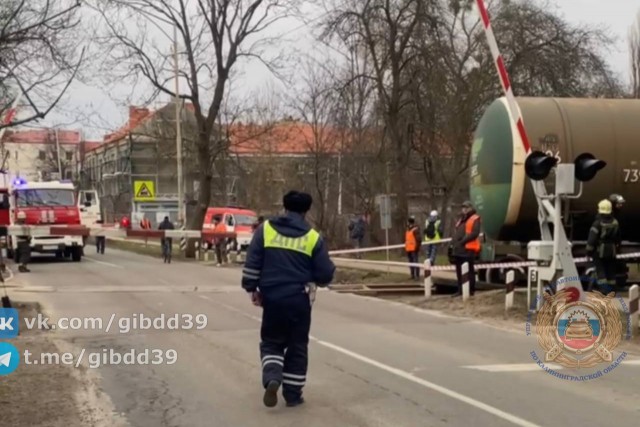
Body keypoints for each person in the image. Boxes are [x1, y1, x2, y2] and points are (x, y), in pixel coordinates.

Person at [241, 190, 335, 408]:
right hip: (299, 299)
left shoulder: (266, 230)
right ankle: (293, 394)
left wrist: (251, 288)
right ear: (306, 211)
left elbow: (253, 261)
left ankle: (273, 377)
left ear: (284, 207)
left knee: (272, 342)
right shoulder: (313, 237)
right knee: (297, 346)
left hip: (272, 298)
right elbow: (324, 274)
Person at [586, 199, 620, 295]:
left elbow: (591, 240)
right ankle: (612, 290)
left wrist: (588, 252)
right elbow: (618, 237)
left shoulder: (597, 224)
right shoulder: (615, 222)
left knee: (601, 272)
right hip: (612, 251)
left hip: (600, 252)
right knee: (611, 271)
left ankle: (604, 290)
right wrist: (617, 248)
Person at [451, 201, 481, 296]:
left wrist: (463, 241)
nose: (464, 209)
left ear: (471, 208)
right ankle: (460, 290)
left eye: (466, 207)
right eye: (463, 207)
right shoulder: (461, 219)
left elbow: (474, 233)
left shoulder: (475, 218)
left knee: (469, 271)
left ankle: (470, 290)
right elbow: (456, 233)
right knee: (459, 271)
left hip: (468, 249)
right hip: (459, 249)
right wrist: (453, 244)